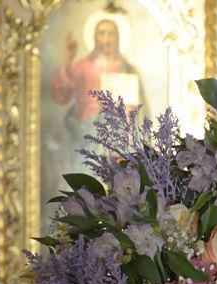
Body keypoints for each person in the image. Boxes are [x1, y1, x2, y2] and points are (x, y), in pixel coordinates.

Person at [48, 17, 145, 175]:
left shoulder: (128, 69)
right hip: (84, 131)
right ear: (95, 37)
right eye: (102, 33)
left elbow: (138, 109)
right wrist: (68, 58)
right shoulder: (83, 66)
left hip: (115, 135)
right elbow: (62, 93)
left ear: (118, 38)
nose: (106, 39)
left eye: (111, 34)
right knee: (85, 175)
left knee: (115, 177)